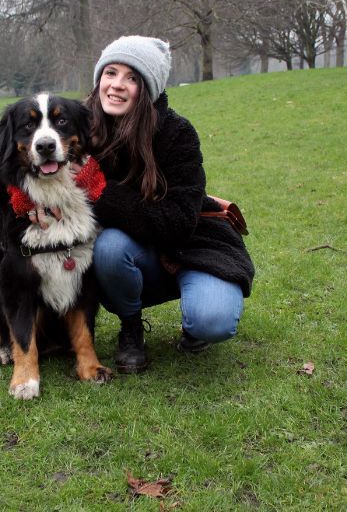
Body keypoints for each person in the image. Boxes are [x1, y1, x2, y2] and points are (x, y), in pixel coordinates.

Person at [84, 35, 255, 373]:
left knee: (212, 321)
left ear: (148, 87)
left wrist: (98, 191)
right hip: (131, 253)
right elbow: (5, 169)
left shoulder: (178, 134)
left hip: (193, 247)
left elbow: (177, 223)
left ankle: (196, 325)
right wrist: (23, 201)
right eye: (110, 72)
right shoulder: (80, 123)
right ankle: (131, 328)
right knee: (109, 247)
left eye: (132, 78)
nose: (116, 85)